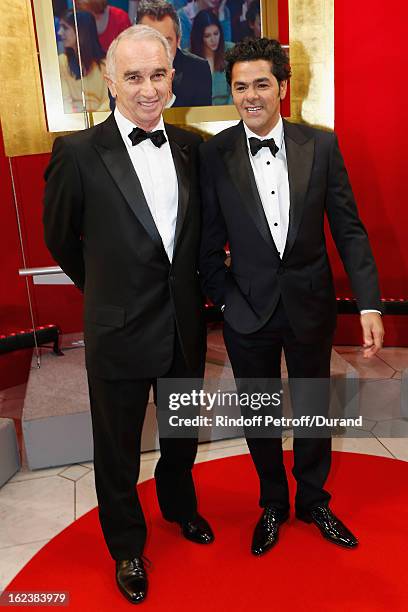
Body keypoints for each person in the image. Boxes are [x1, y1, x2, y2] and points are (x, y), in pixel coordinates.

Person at [43, 24, 214, 605]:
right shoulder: (76, 153)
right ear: (110, 80)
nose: (147, 89)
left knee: (181, 433)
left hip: (184, 324)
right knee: (115, 446)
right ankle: (126, 547)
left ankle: (179, 507)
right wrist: (104, 291)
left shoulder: (192, 148)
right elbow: (61, 239)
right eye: (134, 76)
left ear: (173, 79)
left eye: (158, 75)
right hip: (116, 325)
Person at [199, 38, 384, 556]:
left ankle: (313, 500)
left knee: (311, 409)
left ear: (282, 87)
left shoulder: (321, 146)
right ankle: (273, 503)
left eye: (261, 84)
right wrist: (228, 303)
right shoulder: (214, 155)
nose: (250, 96)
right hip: (246, 311)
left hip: (309, 303)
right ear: (231, 92)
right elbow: (207, 244)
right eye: (240, 87)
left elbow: (349, 229)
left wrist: (369, 304)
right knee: (258, 414)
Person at [137, 0, 212, 107]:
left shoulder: (198, 69)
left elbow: (201, 119)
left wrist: (170, 100)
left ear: (178, 41)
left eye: (166, 41)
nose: (158, 50)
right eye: (151, 40)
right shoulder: (122, 71)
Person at [58, 10, 110, 113]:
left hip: (101, 123)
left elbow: (108, 101)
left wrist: (95, 124)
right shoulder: (62, 62)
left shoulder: (106, 65)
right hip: (73, 123)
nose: (59, 32)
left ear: (81, 31)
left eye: (65, 28)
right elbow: (64, 101)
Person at [190, 9, 233, 105]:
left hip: (228, 114)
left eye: (216, 33)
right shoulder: (188, 56)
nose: (213, 40)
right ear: (199, 37)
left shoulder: (231, 50)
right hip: (199, 115)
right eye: (207, 36)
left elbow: (237, 89)